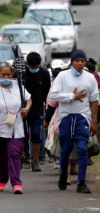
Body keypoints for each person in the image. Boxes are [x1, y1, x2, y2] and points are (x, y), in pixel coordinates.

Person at [51, 50, 98, 193]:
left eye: (82, 61)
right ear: (72, 62)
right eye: (77, 60)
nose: (80, 63)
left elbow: (94, 100)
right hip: (66, 117)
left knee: (83, 149)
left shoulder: (90, 78)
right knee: (66, 150)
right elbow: (54, 95)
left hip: (82, 117)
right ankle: (63, 174)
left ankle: (81, 182)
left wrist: (94, 122)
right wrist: (72, 96)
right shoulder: (62, 76)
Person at [0, 62, 32, 194]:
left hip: (17, 127)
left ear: (12, 74)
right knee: (2, 156)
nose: (6, 77)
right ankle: (2, 180)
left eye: (8, 74)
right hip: (0, 127)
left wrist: (26, 109)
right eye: (3, 75)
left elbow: (29, 99)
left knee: (13, 153)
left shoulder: (19, 85)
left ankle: (16, 183)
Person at [44, 60, 78, 184]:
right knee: (65, 146)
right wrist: (47, 119)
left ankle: (75, 175)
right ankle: (66, 174)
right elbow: (51, 101)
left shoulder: (84, 79)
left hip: (80, 119)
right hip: (61, 118)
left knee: (77, 147)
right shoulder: (59, 82)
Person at [23, 52, 51, 171]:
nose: (34, 69)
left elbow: (47, 93)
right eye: (31, 67)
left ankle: (35, 160)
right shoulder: (22, 74)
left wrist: (49, 111)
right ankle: (24, 158)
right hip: (22, 110)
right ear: (27, 64)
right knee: (23, 136)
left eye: (36, 67)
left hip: (38, 110)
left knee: (36, 134)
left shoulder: (44, 73)